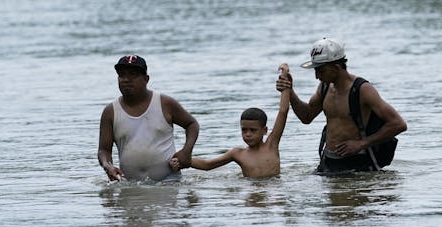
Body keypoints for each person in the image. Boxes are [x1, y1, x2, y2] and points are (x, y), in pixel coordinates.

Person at [276, 38, 407, 173]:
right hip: (328, 162)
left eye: (321, 71)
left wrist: (362, 144)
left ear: (336, 67)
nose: (316, 76)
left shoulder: (362, 90)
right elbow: (307, 116)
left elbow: (398, 124)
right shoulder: (324, 87)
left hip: (357, 163)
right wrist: (290, 92)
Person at [173, 64, 291, 178]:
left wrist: (285, 81)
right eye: (244, 130)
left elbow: (283, 111)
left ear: (264, 130)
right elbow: (208, 165)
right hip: (252, 192)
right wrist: (182, 161)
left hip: (273, 190)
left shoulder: (272, 145)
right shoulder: (238, 154)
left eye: (253, 130)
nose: (248, 134)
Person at [98, 54, 199, 181]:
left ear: (146, 79)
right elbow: (104, 150)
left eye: (133, 75)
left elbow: (191, 124)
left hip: (169, 182)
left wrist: (186, 151)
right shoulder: (110, 112)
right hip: (130, 186)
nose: (126, 79)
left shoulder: (165, 103)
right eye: (122, 75)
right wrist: (108, 166)